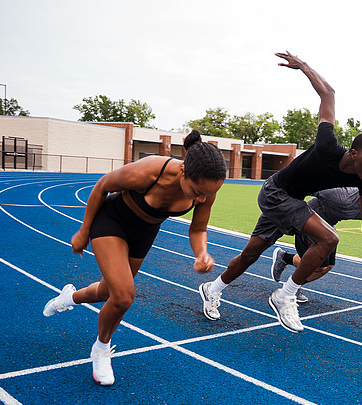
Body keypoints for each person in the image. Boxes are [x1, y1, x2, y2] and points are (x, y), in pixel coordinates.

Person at [198, 52, 362, 333]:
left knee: (251, 254)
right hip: (275, 193)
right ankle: (285, 295)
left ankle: (213, 287)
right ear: (354, 154)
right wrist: (303, 66)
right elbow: (328, 94)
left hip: (291, 202)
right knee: (329, 237)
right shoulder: (327, 145)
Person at [43, 131, 228, 386]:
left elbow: (198, 229)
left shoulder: (206, 189)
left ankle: (69, 297)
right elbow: (102, 186)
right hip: (112, 221)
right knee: (123, 296)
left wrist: (202, 253)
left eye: (208, 194)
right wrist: (84, 231)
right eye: (197, 192)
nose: (202, 199)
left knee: (108, 293)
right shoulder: (150, 171)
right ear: (184, 171)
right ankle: (101, 348)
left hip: (144, 232)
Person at [271, 173, 362, 302]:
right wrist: (282, 203)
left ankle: (285, 259)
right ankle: (290, 289)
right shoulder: (342, 196)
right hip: (308, 220)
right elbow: (309, 186)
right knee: (318, 264)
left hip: (327, 228)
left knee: (327, 267)